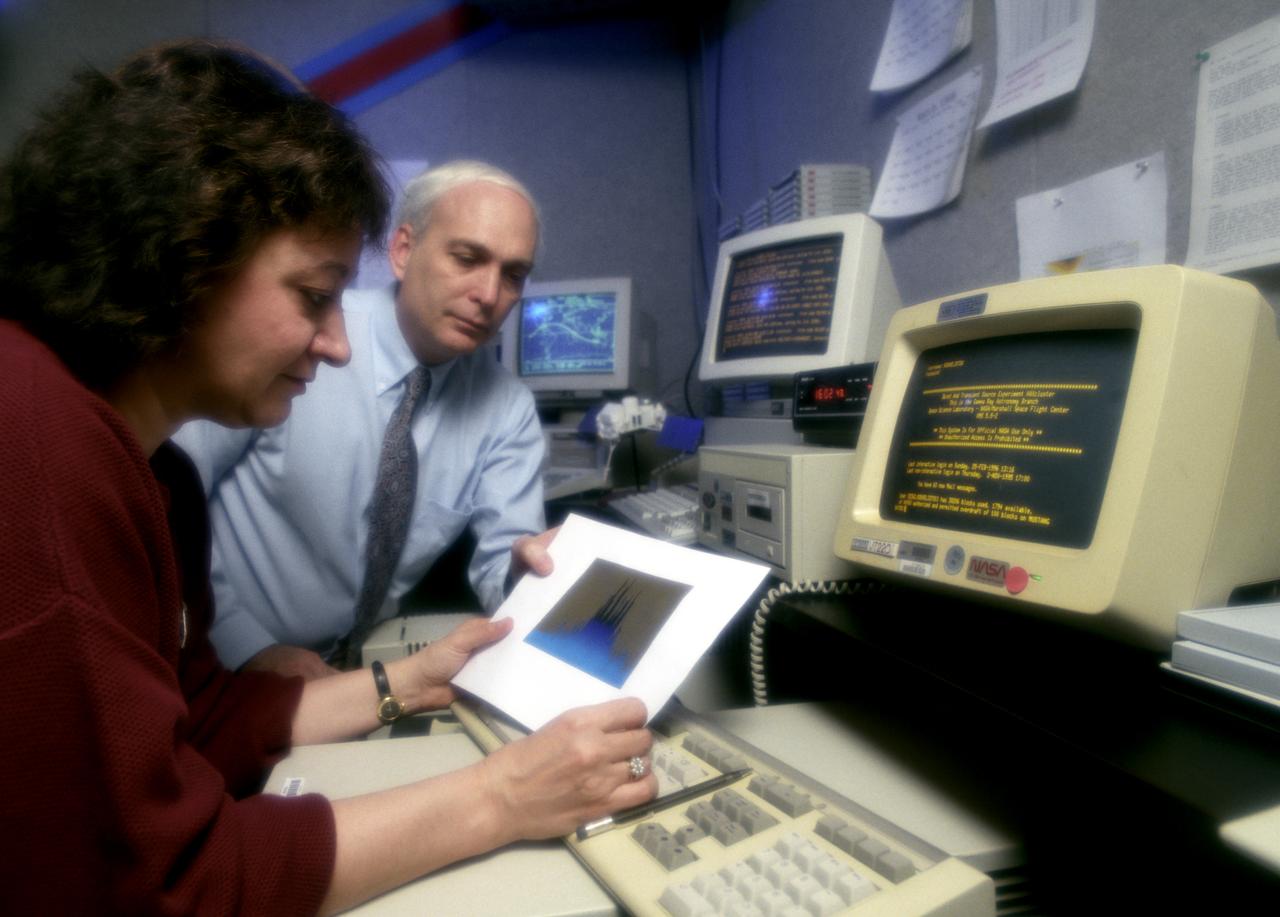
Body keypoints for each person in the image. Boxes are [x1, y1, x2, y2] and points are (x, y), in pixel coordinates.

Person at [0, 40, 655, 916]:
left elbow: (195, 719)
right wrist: (501, 798)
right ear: (180, 250)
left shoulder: (149, 473)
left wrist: (408, 682)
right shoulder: (42, 458)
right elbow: (162, 885)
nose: (336, 342)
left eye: (514, 275)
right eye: (314, 296)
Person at [176, 159, 551, 680]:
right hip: (216, 658)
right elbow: (164, 496)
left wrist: (524, 568)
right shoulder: (303, 331)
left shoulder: (506, 407)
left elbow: (501, 567)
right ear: (402, 250)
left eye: (513, 276)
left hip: (356, 670)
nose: (489, 295)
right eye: (467, 258)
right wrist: (248, 648)